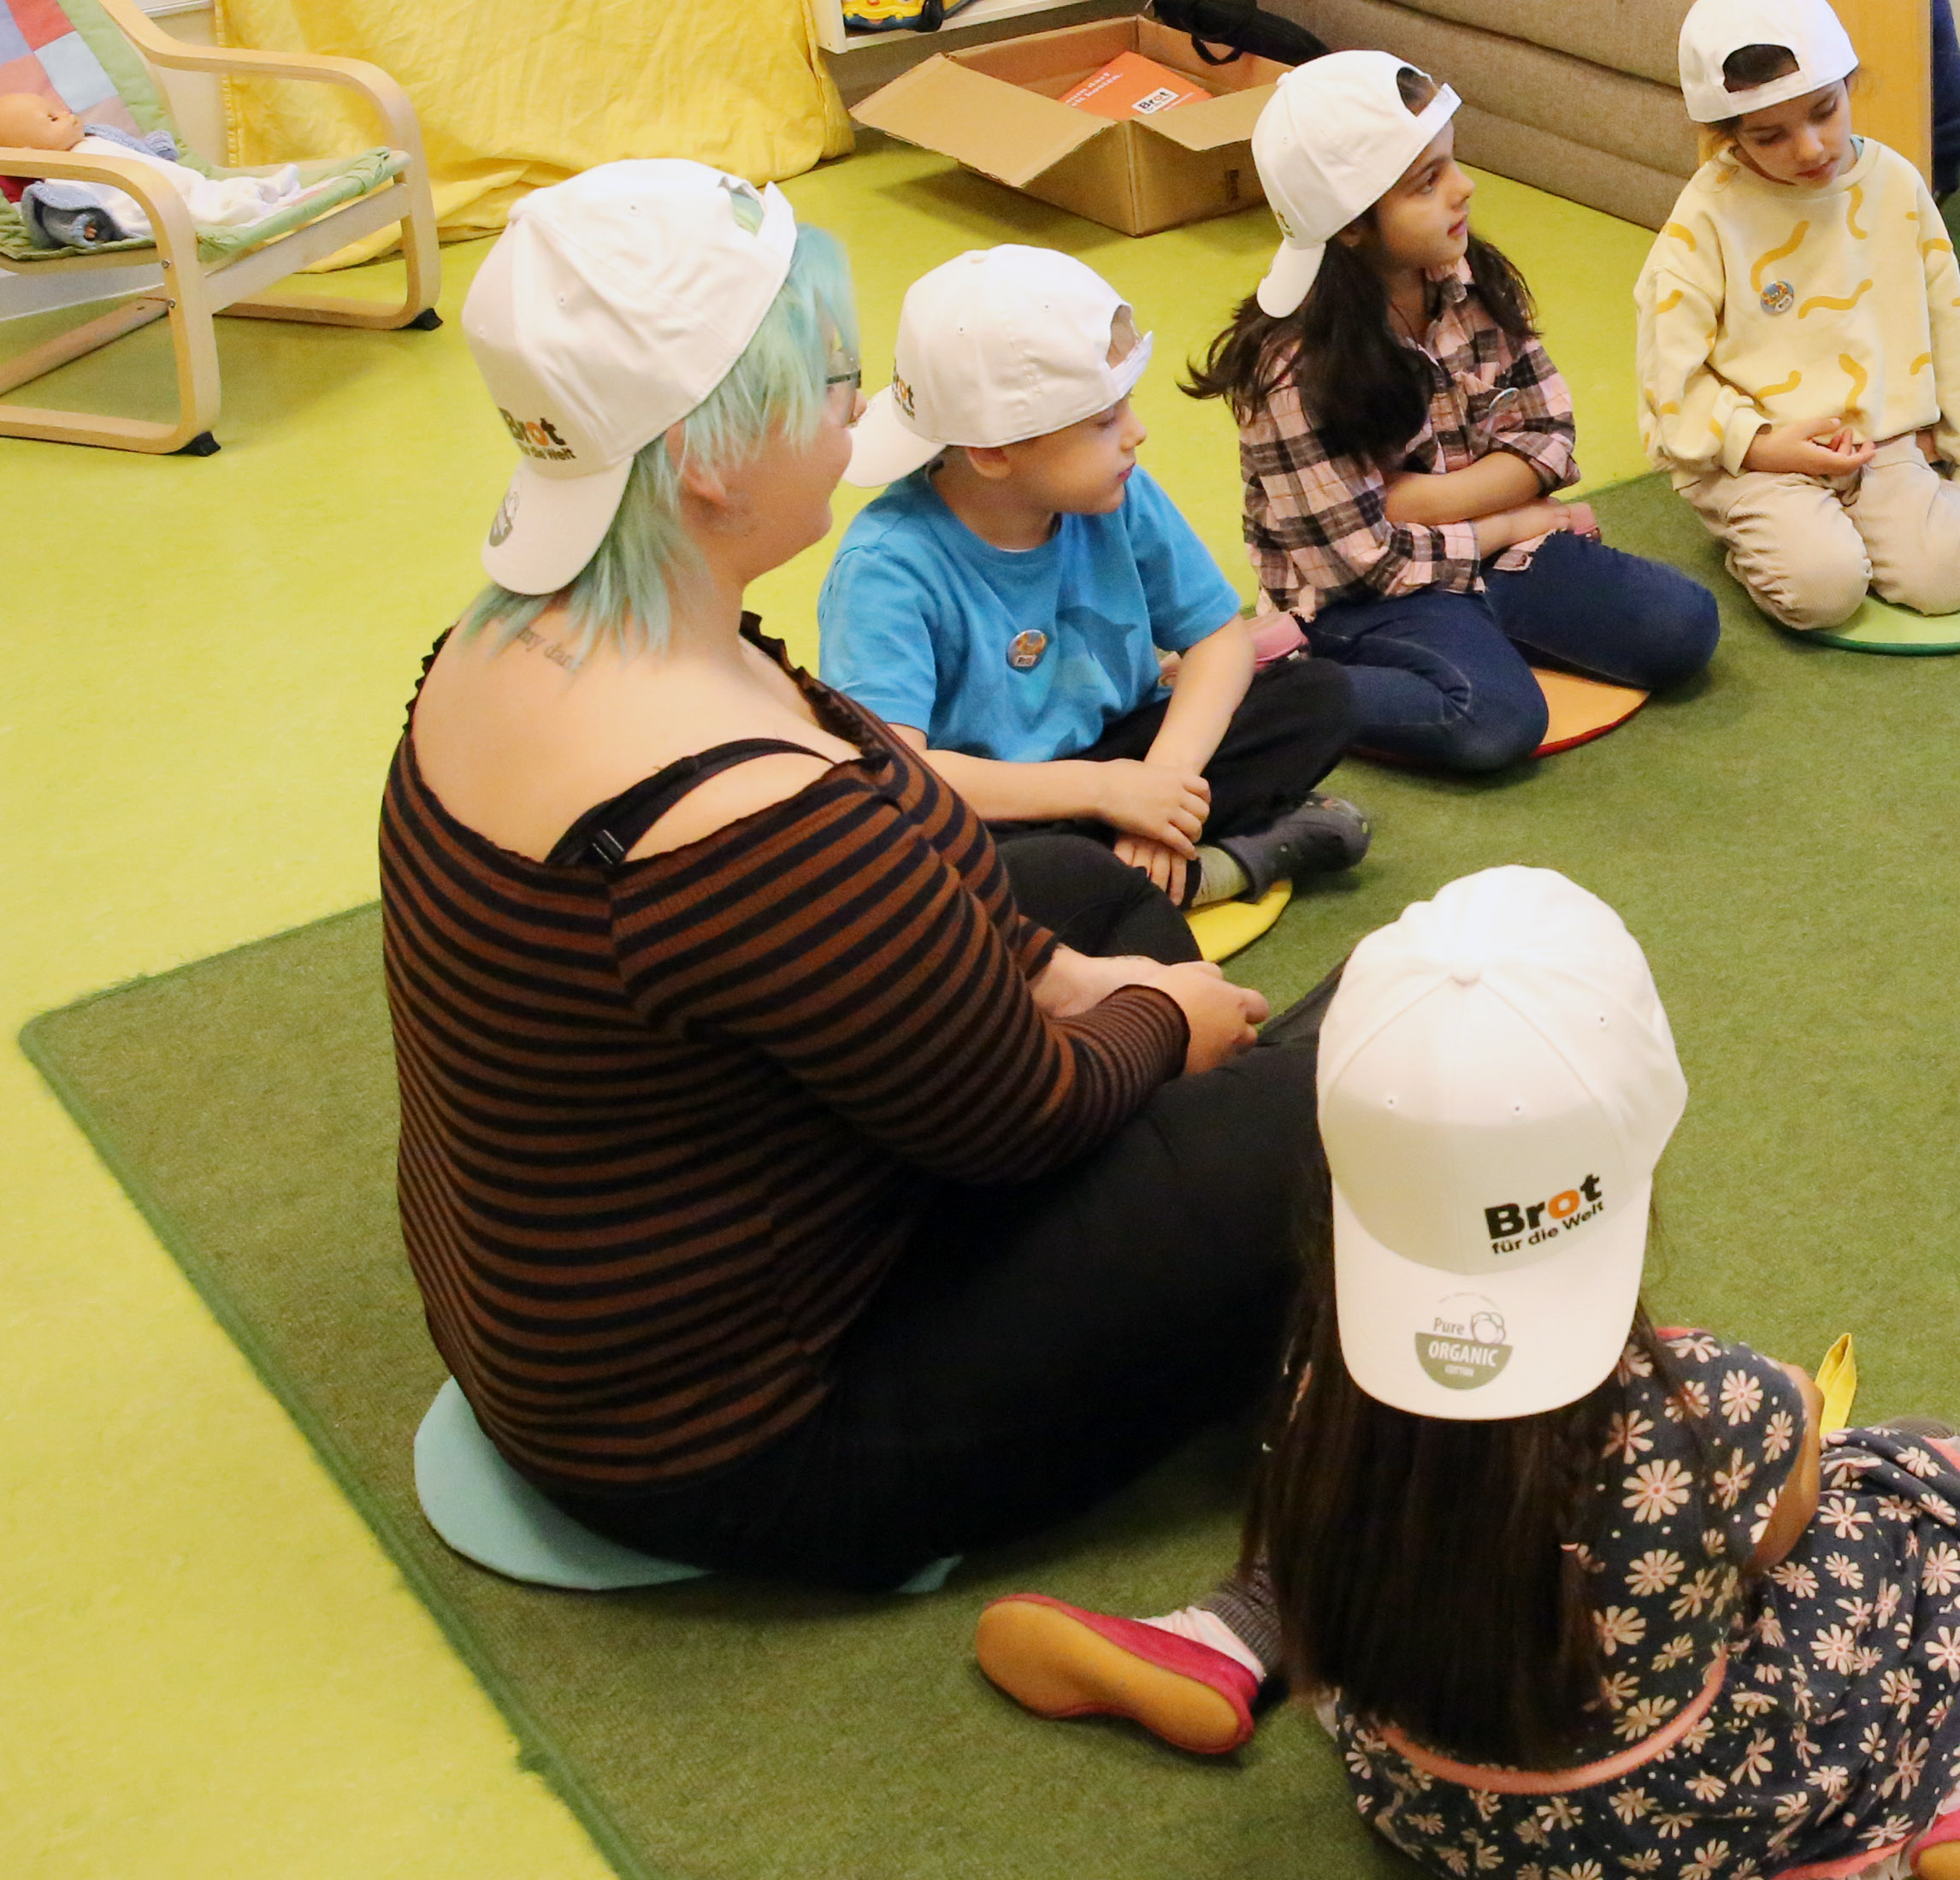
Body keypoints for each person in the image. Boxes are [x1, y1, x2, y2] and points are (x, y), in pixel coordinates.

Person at [970, 865, 1960, 1880]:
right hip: (1667, 1822)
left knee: (1386, 1479)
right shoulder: (1718, 1404)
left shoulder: (1325, 1359)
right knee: (1933, 1477)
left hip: (1425, 1794)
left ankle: (1222, 1634)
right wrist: (1798, 1438)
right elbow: (1779, 1538)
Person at [383, 162, 1319, 1591]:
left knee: (1078, 894)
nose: (855, 411)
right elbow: (1026, 1116)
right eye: (833, 381)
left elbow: (898, 819)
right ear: (707, 458)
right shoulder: (741, 817)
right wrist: (1157, 1022)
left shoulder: (509, 636)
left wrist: (1063, 969)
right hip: (749, 1441)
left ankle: (1201, 1187)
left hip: (590, 1322)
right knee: (1331, 1100)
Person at [1190, 50, 1719, 768]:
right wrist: (1513, 521)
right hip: (1366, 599)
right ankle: (1269, 684)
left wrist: (1418, 499)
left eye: (1451, 162)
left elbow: (1548, 437)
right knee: (1493, 718)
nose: (1464, 188)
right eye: (1427, 182)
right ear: (1350, 224)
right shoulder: (1292, 370)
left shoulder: (1467, 278)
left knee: (1683, 626)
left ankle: (1477, 633)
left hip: (1480, 560)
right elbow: (1367, 563)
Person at [814, 243, 1367, 910]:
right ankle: (1222, 863)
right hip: (1002, 804)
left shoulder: (1116, 491)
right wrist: (1108, 793)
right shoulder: (886, 568)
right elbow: (896, 770)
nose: (1136, 432)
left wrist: (1161, 785)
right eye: (1105, 421)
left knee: (1316, 696)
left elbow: (1218, 640)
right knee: (931, 865)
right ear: (993, 451)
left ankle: (1125, 875)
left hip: (1123, 752)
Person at [1635, 0, 1960, 632]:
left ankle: (1851, 521)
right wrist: (1760, 446)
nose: (1809, 148)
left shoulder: (1894, 183)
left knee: (1950, 577)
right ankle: (1771, 531)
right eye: (1769, 136)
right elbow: (1669, 372)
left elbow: (1947, 320)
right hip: (1755, 454)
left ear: (1848, 85)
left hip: (1880, 442)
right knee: (1824, 592)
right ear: (1728, 135)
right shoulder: (1708, 215)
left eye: (1824, 111)